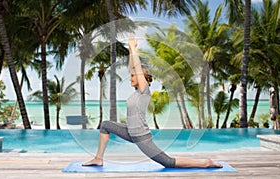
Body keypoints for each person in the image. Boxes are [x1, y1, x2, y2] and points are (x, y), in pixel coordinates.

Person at [82, 35, 222, 168]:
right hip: (130, 132)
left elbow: (136, 68)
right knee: (106, 125)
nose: (130, 78)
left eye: (133, 76)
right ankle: (98, 158)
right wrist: (131, 49)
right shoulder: (137, 92)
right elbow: (133, 67)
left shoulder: (144, 91)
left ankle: (205, 163)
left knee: (168, 162)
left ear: (141, 77)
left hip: (141, 137)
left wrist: (134, 49)